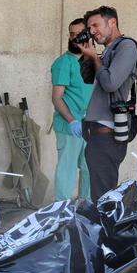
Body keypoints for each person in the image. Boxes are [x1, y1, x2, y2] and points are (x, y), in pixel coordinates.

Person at [77, 5, 137, 198]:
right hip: (98, 136)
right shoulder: (107, 51)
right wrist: (87, 55)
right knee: (99, 196)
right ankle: (102, 226)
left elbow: (110, 83)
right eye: (90, 28)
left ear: (112, 22)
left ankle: (106, 228)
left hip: (108, 137)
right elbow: (88, 78)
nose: (93, 31)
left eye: (96, 25)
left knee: (103, 199)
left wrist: (96, 60)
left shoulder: (127, 46)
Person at [50, 18, 94, 200]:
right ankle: (61, 216)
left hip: (90, 126)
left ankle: (87, 213)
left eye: (79, 34)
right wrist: (72, 120)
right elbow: (57, 97)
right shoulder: (63, 63)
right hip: (70, 127)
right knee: (67, 172)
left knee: (89, 170)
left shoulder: (91, 62)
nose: (74, 38)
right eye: (71, 34)